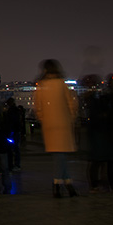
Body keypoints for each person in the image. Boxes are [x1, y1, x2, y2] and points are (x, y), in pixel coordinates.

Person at [34, 59, 79, 198]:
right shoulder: (62, 84)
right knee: (61, 154)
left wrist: (44, 118)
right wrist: (70, 118)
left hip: (49, 126)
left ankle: (66, 184)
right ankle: (58, 183)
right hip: (63, 124)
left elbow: (38, 107)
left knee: (59, 155)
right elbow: (72, 103)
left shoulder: (41, 86)